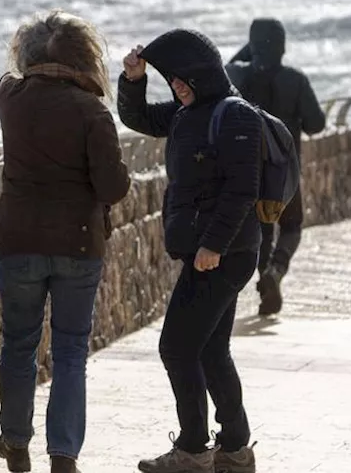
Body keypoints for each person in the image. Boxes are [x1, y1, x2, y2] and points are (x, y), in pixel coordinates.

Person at [0, 11, 133, 473]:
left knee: (19, 344)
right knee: (71, 351)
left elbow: (12, 79)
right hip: (78, 246)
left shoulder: (9, 97)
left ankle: (15, 439)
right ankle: (64, 453)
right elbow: (112, 188)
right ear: (84, 58)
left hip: (18, 243)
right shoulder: (92, 111)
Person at [117, 29, 260, 473]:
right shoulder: (184, 114)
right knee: (210, 350)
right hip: (209, 250)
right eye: (171, 78)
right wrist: (134, 78)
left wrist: (213, 245)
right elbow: (137, 117)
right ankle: (235, 449)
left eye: (184, 78)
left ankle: (195, 449)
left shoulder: (233, 115)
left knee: (177, 347)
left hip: (223, 253)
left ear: (203, 73)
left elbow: (242, 190)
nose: (178, 85)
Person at [225, 18, 326, 316]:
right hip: (285, 173)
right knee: (291, 225)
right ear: (283, 46)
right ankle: (276, 271)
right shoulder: (295, 80)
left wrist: (249, 52)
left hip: (245, 171)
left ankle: (263, 276)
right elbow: (317, 124)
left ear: (251, 44)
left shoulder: (236, 75)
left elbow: (218, 79)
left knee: (259, 230)